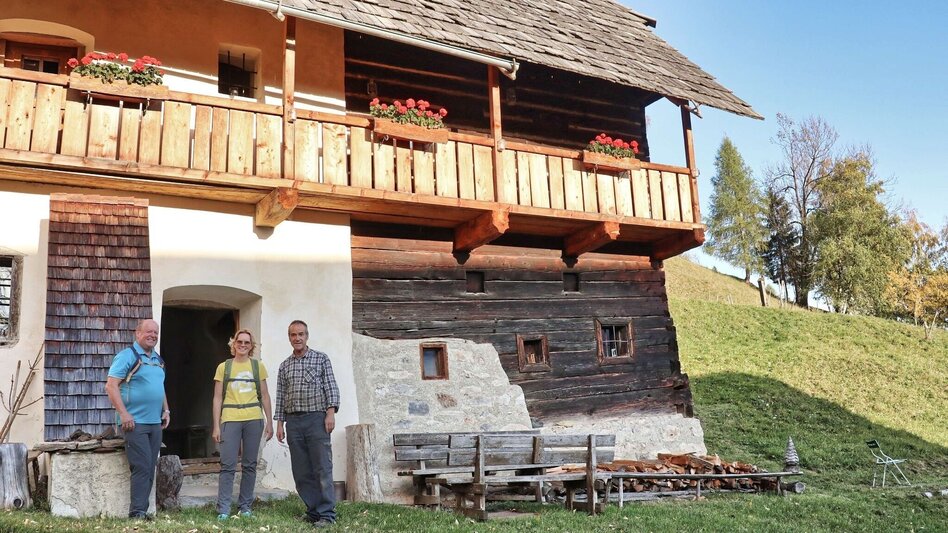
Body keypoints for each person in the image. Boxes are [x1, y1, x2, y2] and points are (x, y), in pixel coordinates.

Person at [275, 320, 340, 527]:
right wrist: (279, 424)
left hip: (317, 419)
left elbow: (331, 387)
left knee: (322, 468)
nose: (297, 338)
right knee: (301, 471)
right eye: (293, 335)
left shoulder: (321, 359)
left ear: (307, 336)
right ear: (289, 338)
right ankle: (312, 512)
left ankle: (327, 514)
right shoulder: (284, 365)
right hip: (293, 422)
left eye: (301, 334)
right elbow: (281, 397)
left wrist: (330, 413)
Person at [105, 319, 170, 520]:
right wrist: (124, 414)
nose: (153, 335)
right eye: (148, 331)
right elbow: (111, 386)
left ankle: (143, 510)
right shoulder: (127, 356)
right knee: (141, 466)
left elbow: (160, 387)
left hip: (155, 422)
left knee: (150, 466)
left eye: (156, 332)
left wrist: (166, 410)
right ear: (137, 333)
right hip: (135, 423)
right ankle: (137, 513)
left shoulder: (158, 360)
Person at [211, 328, 274, 521]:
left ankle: (245, 506)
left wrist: (270, 422)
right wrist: (216, 425)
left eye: (247, 342)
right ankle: (223, 509)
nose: (243, 345)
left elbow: (264, 395)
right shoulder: (224, 367)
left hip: (253, 418)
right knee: (228, 464)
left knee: (249, 464)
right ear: (234, 344)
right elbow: (217, 397)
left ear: (251, 346)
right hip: (230, 418)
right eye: (240, 342)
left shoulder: (257, 366)